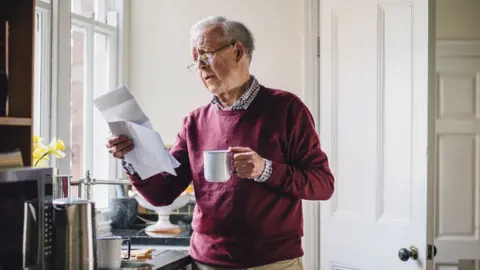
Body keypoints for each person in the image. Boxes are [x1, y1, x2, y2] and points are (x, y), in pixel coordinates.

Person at [106, 16, 334, 270]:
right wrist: (132, 158)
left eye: (206, 54)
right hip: (205, 262)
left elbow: (323, 184)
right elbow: (162, 194)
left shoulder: (287, 109)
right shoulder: (194, 122)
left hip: (271, 263)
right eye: (195, 59)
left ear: (238, 51)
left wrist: (265, 169)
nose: (201, 66)